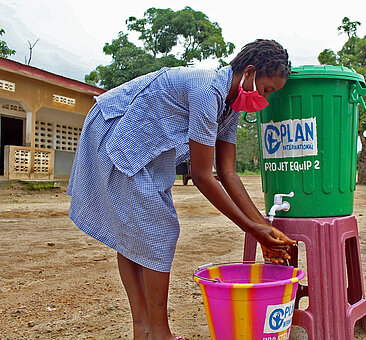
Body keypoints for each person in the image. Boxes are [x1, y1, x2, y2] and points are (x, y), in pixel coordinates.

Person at [67, 39, 296, 340]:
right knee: (159, 231)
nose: (265, 99)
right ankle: (156, 332)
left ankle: (145, 332)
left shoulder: (230, 106)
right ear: (250, 72)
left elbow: (227, 173)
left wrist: (262, 227)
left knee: (139, 236)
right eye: (267, 90)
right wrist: (253, 230)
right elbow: (202, 176)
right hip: (117, 129)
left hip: (149, 149)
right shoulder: (207, 92)